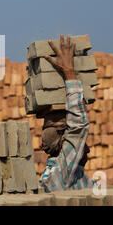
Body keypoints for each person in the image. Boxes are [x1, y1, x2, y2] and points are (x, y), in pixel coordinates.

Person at [38, 34, 94, 192]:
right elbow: (78, 128)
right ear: (65, 141)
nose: (87, 149)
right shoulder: (60, 176)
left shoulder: (68, 179)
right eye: (83, 144)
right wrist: (69, 72)